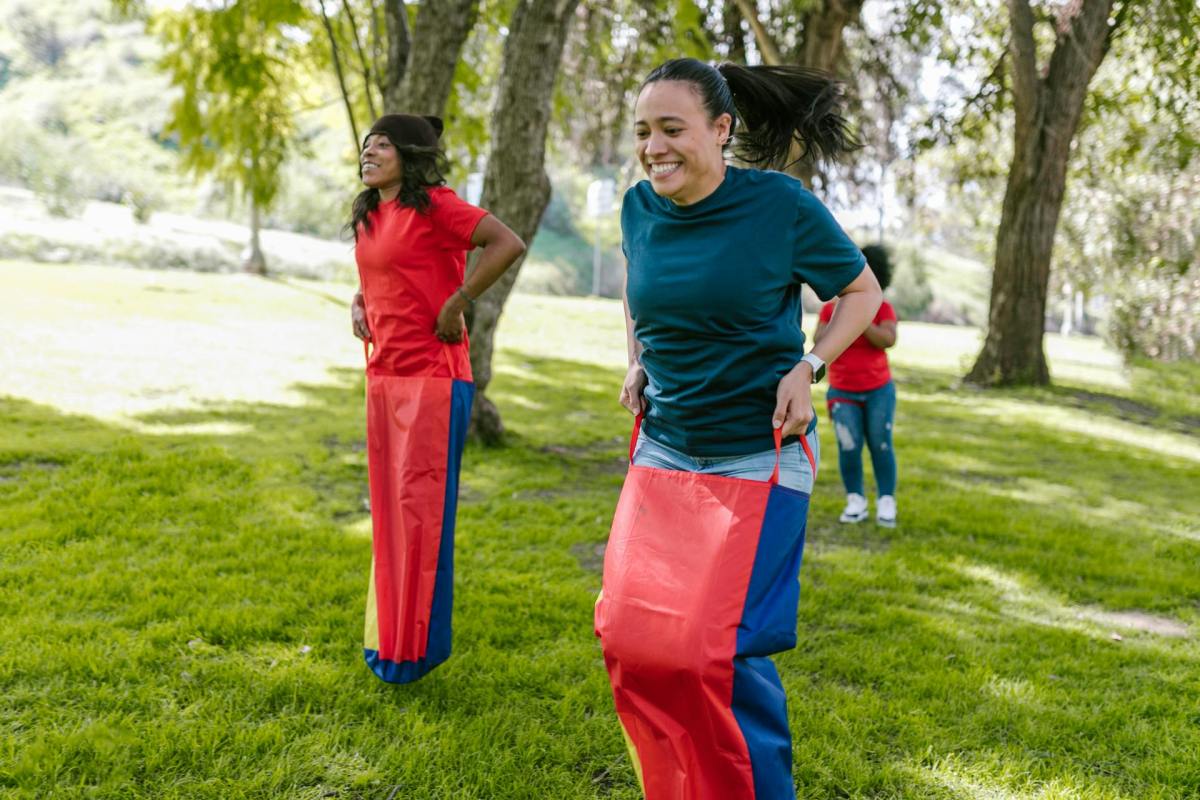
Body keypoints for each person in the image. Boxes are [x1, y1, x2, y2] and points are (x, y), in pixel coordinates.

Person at [600, 58, 882, 798]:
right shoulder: (638, 208)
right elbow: (637, 290)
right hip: (664, 445)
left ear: (721, 130)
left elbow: (859, 291)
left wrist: (810, 365)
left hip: (760, 455)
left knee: (714, 653)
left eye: (671, 129)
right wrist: (638, 360)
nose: (654, 147)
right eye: (643, 133)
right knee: (631, 639)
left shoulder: (779, 206)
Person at [348, 114, 524, 683]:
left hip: (432, 378)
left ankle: (413, 651)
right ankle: (389, 641)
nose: (369, 152)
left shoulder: (437, 206)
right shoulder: (371, 212)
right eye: (366, 144)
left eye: (382, 145)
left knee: (418, 514)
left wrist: (459, 300)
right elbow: (385, 271)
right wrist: (359, 302)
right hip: (384, 376)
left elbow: (506, 242)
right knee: (390, 514)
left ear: (410, 156)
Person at [814, 244, 899, 527]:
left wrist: (860, 318)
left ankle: (886, 501)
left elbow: (888, 339)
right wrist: (845, 314)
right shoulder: (830, 310)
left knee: (881, 444)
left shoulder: (882, 307)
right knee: (848, 446)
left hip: (878, 390)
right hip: (842, 390)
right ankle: (856, 501)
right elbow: (820, 340)